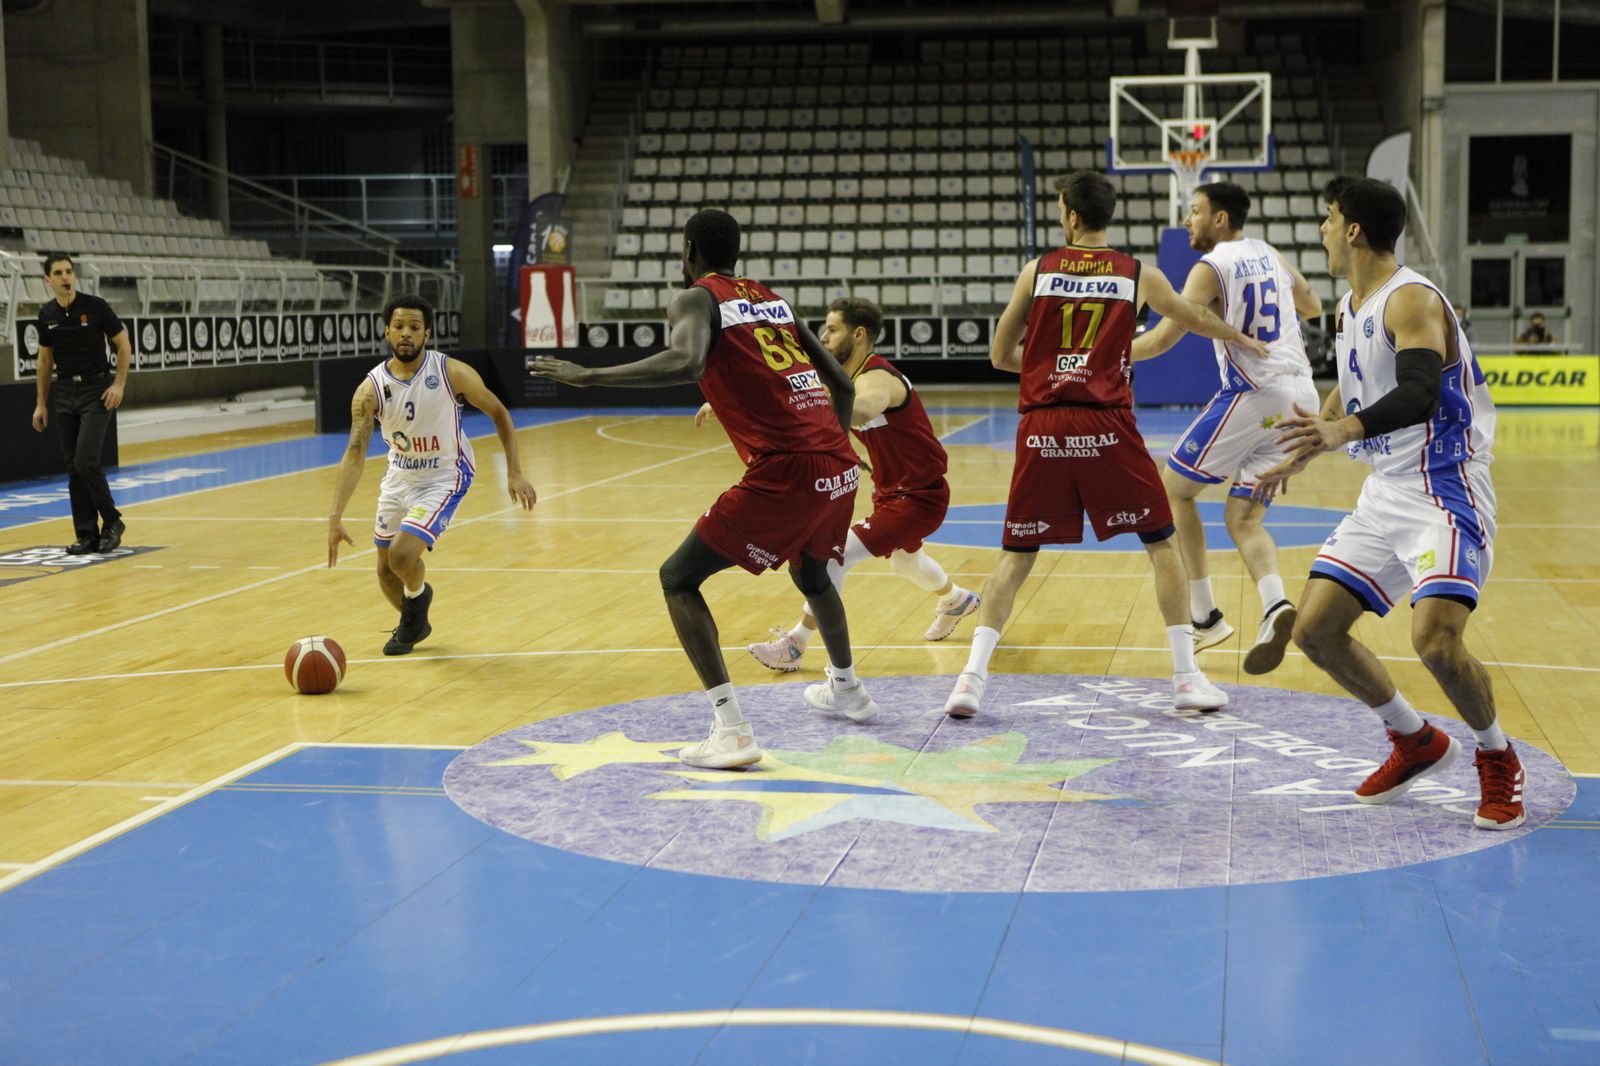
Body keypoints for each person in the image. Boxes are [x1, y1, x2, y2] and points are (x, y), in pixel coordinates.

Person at [530, 209, 879, 770]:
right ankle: (848, 690)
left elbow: (688, 358)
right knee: (812, 575)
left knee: (677, 577)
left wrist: (591, 376)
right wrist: (829, 443)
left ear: (688, 249)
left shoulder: (696, 298)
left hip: (787, 469)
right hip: (835, 465)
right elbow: (841, 381)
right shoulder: (774, 301)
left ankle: (733, 731)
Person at [942, 171, 1271, 719]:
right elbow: (1192, 318)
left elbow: (1001, 356)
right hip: (1108, 426)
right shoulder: (1137, 272)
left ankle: (970, 681)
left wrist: (1051, 365)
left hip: (1045, 427)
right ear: (1105, 216)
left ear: (1070, 216)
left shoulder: (1037, 270)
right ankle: (1187, 678)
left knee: (1016, 558)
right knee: (1161, 545)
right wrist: (1240, 338)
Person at [1253, 176, 1523, 830]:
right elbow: (1352, 394)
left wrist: (1341, 431)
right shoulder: (1351, 307)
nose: (1320, 229)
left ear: (1353, 230)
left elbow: (1420, 392)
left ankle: (1498, 757)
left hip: (1443, 485)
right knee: (1315, 632)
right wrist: (1308, 445)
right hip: (1384, 492)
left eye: (1327, 217)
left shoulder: (1410, 301)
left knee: (1434, 640)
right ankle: (1413, 739)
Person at [706, 296, 979, 671]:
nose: (824, 336)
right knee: (905, 563)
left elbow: (863, 408)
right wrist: (731, 402)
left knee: (834, 555)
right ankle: (956, 599)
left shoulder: (876, 378)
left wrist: (801, 404)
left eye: (832, 329)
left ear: (859, 334)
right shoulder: (844, 378)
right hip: (890, 492)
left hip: (920, 499)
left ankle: (796, 644)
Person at [1130, 181, 1322, 675]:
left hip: (1256, 391)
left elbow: (1162, 340)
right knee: (1242, 519)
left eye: (1194, 212)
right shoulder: (1270, 253)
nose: (1188, 221)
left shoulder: (1210, 265)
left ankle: (1205, 614)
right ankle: (1276, 604)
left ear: (1220, 220)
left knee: (1173, 491)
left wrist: (1103, 355)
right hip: (1302, 394)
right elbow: (1313, 305)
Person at [327, 295, 537, 655]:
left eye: (414, 327)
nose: (406, 333)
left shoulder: (451, 372)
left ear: (427, 333)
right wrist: (335, 516)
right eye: (399, 326)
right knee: (384, 571)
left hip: (445, 474)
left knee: (402, 556)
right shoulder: (370, 389)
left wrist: (515, 472)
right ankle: (416, 615)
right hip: (399, 476)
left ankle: (414, 605)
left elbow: (499, 412)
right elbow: (355, 452)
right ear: (386, 331)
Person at [29, 253, 133, 554]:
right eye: (59, 273)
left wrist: (119, 384)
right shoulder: (46, 313)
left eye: (69, 272)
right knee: (74, 467)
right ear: (48, 280)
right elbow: (45, 360)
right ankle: (86, 534)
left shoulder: (95, 307)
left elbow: (123, 345)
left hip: (97, 391)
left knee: (87, 460)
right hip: (64, 393)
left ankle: (113, 522)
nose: (66, 277)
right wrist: (41, 403)